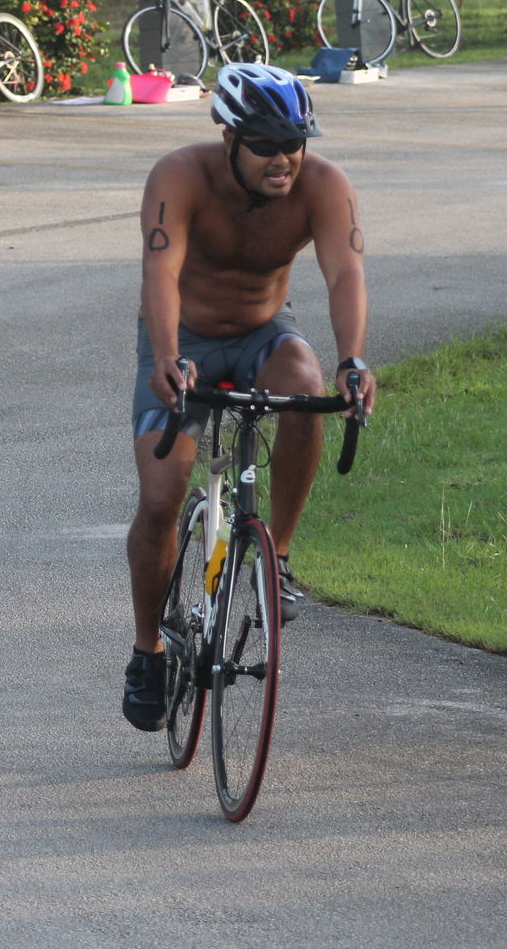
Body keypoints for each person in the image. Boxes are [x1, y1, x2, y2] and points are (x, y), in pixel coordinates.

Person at [121, 63, 377, 732]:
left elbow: (344, 271)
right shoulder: (179, 176)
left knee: (309, 385)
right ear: (227, 135)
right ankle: (147, 649)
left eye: (295, 142)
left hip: (265, 332)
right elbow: (161, 271)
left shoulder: (323, 185)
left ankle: (279, 558)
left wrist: (354, 359)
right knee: (158, 500)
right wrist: (167, 353)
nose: (284, 159)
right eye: (265, 144)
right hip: (183, 341)